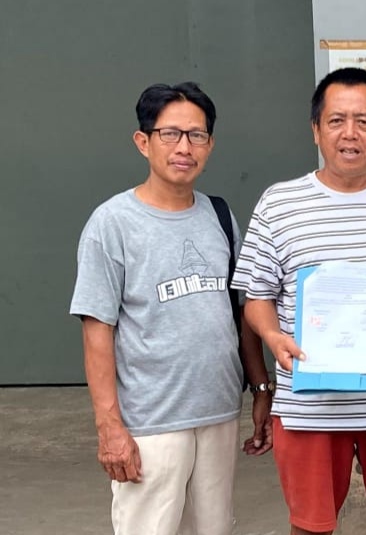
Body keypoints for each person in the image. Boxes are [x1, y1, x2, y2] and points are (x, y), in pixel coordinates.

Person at [232, 67, 366, 535]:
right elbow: (257, 295)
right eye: (336, 121)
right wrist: (272, 335)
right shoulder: (278, 204)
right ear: (316, 129)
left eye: (364, 121)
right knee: (311, 527)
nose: (350, 133)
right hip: (308, 406)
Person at [69, 82, 272, 535]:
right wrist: (109, 427)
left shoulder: (219, 216)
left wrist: (260, 388)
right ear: (143, 142)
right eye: (170, 134)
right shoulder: (113, 223)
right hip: (151, 424)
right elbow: (97, 329)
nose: (184, 147)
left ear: (210, 145)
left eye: (196, 135)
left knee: (214, 528)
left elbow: (240, 313)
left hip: (219, 413)